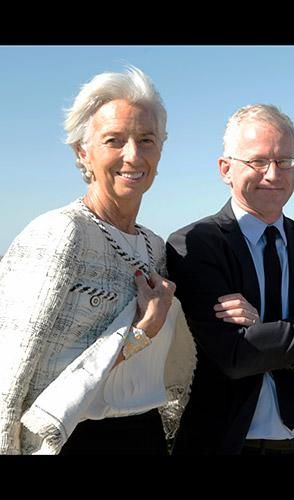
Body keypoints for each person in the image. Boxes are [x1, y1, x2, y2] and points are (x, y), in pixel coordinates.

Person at [0, 66, 196, 455]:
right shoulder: (60, 232)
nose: (133, 155)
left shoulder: (155, 247)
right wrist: (141, 332)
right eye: (114, 140)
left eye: (146, 139)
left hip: (145, 436)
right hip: (72, 440)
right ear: (82, 151)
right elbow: (11, 374)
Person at [167, 104, 294, 455]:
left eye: (285, 161)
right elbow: (235, 356)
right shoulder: (196, 245)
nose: (273, 174)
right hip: (233, 447)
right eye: (258, 161)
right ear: (225, 169)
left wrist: (267, 332)